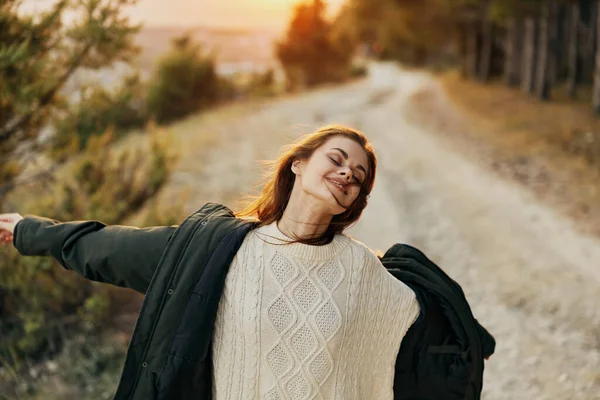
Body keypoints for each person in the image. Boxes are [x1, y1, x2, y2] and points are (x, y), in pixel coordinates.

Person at [0, 125, 420, 400]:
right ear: (298, 163)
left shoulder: (364, 272)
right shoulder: (217, 248)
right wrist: (28, 230)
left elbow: (428, 325)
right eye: (337, 159)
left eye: (359, 175)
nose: (348, 173)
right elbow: (107, 248)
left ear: (355, 200)